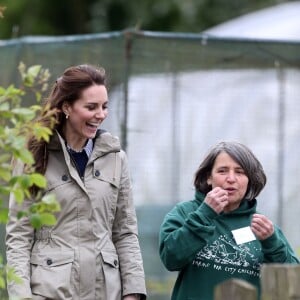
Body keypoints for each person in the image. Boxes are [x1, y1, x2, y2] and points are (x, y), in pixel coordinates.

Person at [6, 64, 147, 300]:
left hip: (106, 292)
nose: (100, 115)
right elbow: (19, 236)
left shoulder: (116, 159)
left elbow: (125, 233)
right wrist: (22, 296)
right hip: (51, 292)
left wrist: (133, 292)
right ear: (66, 107)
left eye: (104, 107)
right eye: (91, 107)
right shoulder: (32, 158)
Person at [159, 141, 299, 300]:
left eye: (240, 172)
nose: (231, 179)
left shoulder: (263, 227)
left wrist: (272, 243)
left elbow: (293, 280)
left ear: (250, 180)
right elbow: (171, 259)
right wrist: (205, 214)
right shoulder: (185, 212)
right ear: (208, 178)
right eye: (222, 171)